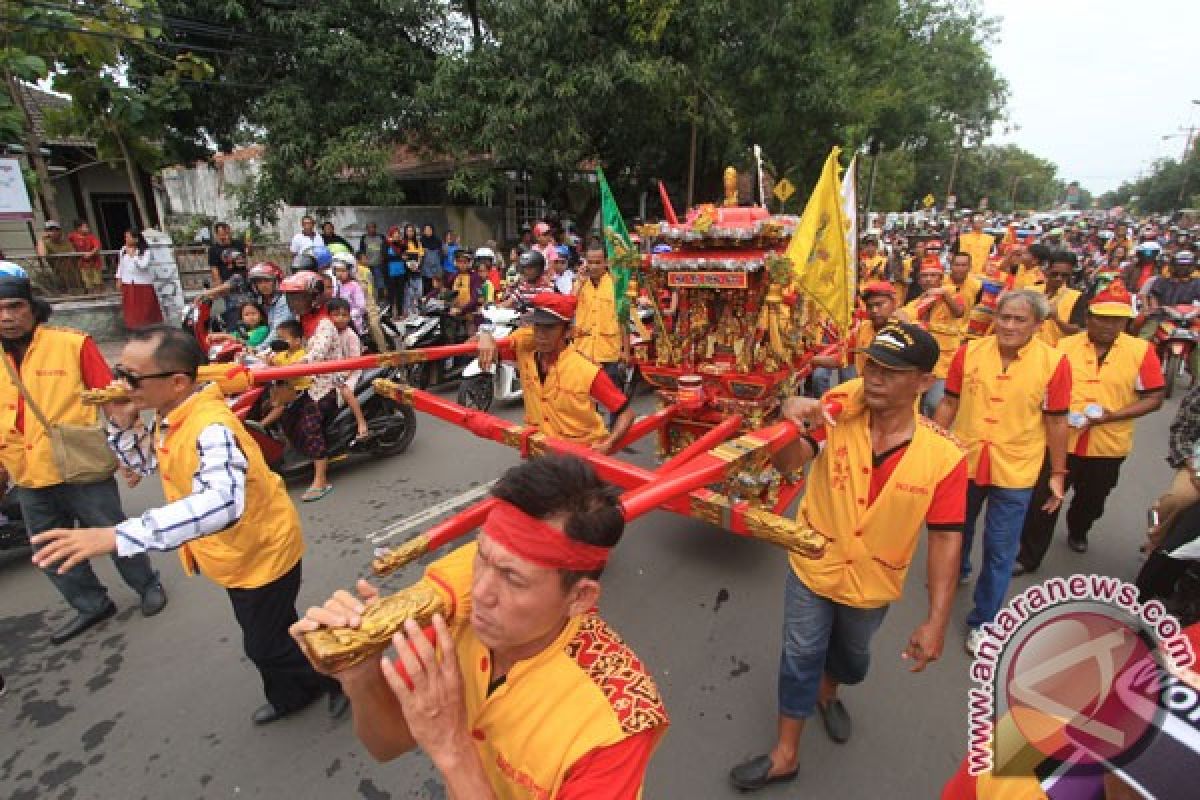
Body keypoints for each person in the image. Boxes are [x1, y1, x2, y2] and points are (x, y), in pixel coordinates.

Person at [290, 455, 668, 798]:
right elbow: (386, 745)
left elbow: (443, 748)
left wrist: (453, 749)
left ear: (580, 598)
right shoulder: (454, 613)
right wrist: (362, 675)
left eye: (513, 579)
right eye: (482, 558)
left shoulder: (616, 718)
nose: (481, 592)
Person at [30, 325, 347, 725]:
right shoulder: (171, 415)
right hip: (234, 555)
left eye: (131, 377)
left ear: (178, 381)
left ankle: (342, 679)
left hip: (262, 552)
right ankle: (289, 695)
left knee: (265, 645)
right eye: (119, 372)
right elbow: (150, 464)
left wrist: (117, 535)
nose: (118, 383)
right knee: (275, 629)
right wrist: (125, 427)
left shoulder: (212, 426)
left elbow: (220, 503)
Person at [729, 323, 966, 792]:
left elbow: (945, 539)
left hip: (873, 585)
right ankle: (786, 754)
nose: (875, 377)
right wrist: (790, 420)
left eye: (891, 370)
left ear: (923, 381)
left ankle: (830, 689)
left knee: (853, 660)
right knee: (800, 654)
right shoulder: (838, 414)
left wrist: (937, 620)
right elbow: (788, 463)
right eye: (871, 365)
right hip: (813, 565)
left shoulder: (945, 456)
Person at [0, 265, 165, 645]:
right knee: (47, 548)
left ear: (32, 307)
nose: (7, 317)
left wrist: (130, 454)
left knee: (112, 531)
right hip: (27, 472)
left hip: (80, 463)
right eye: (0, 309)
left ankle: (147, 584)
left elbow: (114, 399)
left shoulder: (71, 344)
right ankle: (90, 604)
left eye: (15, 306)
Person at [933, 289, 1071, 654]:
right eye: (1004, 317)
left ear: (1038, 325)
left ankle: (984, 621)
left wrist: (1058, 473)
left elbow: (1057, 421)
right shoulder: (970, 352)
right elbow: (949, 402)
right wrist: (929, 451)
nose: (1009, 326)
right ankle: (956, 570)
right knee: (955, 530)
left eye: (1019, 320)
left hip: (1017, 468)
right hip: (965, 459)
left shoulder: (1055, 362)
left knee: (1000, 548)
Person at [1015, 282, 1164, 573]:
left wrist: (1113, 415)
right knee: (1043, 501)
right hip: (1062, 441)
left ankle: (1079, 528)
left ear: (1126, 321)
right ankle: (1028, 557)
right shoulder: (1063, 347)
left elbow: (1154, 397)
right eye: (1103, 318)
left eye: (1117, 320)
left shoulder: (1141, 351)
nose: (1109, 325)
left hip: (1108, 445)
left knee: (1092, 500)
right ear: (1089, 318)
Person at [478, 294, 635, 453]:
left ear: (567, 332)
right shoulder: (525, 355)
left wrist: (609, 442)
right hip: (541, 451)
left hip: (580, 457)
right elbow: (474, 349)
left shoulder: (586, 370)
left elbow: (626, 413)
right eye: (537, 326)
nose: (541, 334)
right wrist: (485, 334)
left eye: (550, 327)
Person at [278, 272, 343, 501]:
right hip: (306, 381)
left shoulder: (324, 324)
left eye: (299, 298)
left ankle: (321, 479)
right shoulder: (302, 322)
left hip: (327, 384)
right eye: (291, 298)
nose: (294, 303)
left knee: (309, 424)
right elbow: (288, 345)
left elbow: (314, 356)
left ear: (313, 297)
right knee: (284, 415)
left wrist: (293, 365)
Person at [902, 262, 969, 416]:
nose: (928, 279)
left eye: (933, 275)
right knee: (917, 405)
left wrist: (944, 295)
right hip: (919, 362)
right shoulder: (915, 302)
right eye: (924, 276)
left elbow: (959, 312)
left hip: (944, 362)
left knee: (934, 403)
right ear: (919, 280)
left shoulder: (953, 296)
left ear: (941, 278)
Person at [573, 246, 628, 393]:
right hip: (584, 350)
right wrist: (579, 283)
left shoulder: (616, 286)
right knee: (586, 399)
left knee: (613, 398)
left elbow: (623, 320)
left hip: (609, 351)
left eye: (598, 262)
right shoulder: (580, 284)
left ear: (606, 263)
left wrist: (626, 352)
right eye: (590, 262)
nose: (594, 266)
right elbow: (569, 305)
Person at [325, 297, 372, 446]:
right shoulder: (327, 334)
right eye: (336, 315)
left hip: (351, 371)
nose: (340, 319)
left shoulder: (351, 335)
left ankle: (361, 422)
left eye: (344, 315)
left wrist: (343, 375)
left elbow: (354, 361)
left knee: (344, 391)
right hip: (333, 370)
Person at [1035, 250, 1087, 347]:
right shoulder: (1030, 291)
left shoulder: (1077, 297)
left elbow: (1076, 331)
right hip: (1029, 350)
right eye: (1055, 274)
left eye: (1064, 275)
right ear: (1047, 271)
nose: (1059, 278)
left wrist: (1056, 319)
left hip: (1057, 351)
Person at [116, 229, 163, 329]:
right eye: (126, 237)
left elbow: (143, 265)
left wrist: (134, 255)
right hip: (128, 282)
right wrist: (119, 278)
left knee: (145, 308)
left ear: (136, 239)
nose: (126, 239)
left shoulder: (145, 251)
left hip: (142, 283)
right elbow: (121, 266)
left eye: (128, 237)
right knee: (131, 308)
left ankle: (148, 328)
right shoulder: (123, 250)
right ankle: (133, 328)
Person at [247, 261, 293, 340]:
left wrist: (258, 348)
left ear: (276, 282)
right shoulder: (259, 302)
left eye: (267, 281)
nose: (263, 285)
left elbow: (277, 332)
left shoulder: (283, 301)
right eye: (259, 282)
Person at [36, 220, 77, 291]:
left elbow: (74, 253)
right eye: (50, 230)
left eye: (56, 229)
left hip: (73, 273)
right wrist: (41, 239)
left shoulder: (66, 242)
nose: (54, 232)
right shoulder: (45, 243)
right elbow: (42, 254)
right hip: (59, 274)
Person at [331, 255, 367, 333]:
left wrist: (348, 315)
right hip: (339, 322)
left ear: (350, 271)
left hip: (353, 324)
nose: (339, 273)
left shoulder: (354, 286)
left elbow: (361, 306)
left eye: (343, 271)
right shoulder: (337, 285)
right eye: (337, 271)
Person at [68, 220, 103, 294]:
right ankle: (92, 296)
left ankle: (99, 296)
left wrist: (91, 253)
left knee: (97, 281)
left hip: (94, 263)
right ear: (78, 228)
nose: (87, 228)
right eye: (85, 227)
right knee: (87, 282)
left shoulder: (91, 237)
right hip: (83, 264)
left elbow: (97, 246)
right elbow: (68, 243)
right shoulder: (73, 236)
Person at [356, 222, 388, 299]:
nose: (371, 229)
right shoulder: (364, 238)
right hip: (367, 265)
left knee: (380, 283)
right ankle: (370, 299)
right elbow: (361, 251)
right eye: (369, 228)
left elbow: (385, 249)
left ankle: (381, 300)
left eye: (373, 227)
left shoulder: (381, 237)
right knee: (368, 282)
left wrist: (383, 258)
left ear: (376, 228)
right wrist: (362, 261)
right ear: (367, 229)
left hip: (378, 264)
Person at [384, 225, 409, 319]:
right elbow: (385, 257)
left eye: (398, 234)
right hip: (391, 272)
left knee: (400, 294)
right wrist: (399, 257)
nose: (396, 235)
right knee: (391, 294)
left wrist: (399, 242)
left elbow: (405, 252)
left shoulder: (401, 244)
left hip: (401, 272)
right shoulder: (386, 244)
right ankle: (390, 313)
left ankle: (400, 313)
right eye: (394, 234)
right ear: (390, 235)